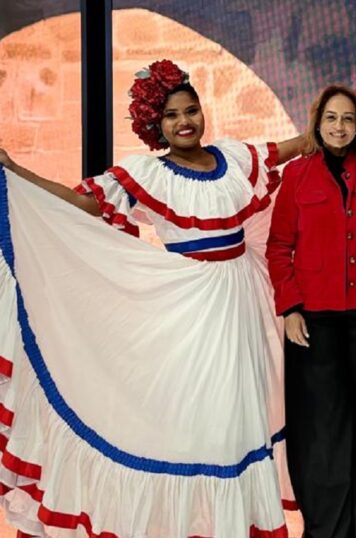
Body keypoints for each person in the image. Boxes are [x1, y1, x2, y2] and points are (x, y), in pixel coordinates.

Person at [0, 59, 303, 537]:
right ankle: (190, 523)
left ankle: (233, 524)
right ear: (154, 125)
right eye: (171, 115)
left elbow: (288, 149)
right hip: (191, 311)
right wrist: (17, 173)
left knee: (239, 417)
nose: (184, 122)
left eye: (191, 110)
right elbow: (84, 203)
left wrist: (326, 126)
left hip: (243, 303)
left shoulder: (234, 158)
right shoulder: (149, 174)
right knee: (202, 419)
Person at [265, 84, 356, 538]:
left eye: (348, 119)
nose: (339, 127)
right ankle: (325, 527)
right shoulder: (297, 175)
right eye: (331, 118)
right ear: (318, 122)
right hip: (314, 320)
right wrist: (290, 307)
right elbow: (279, 246)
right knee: (320, 427)